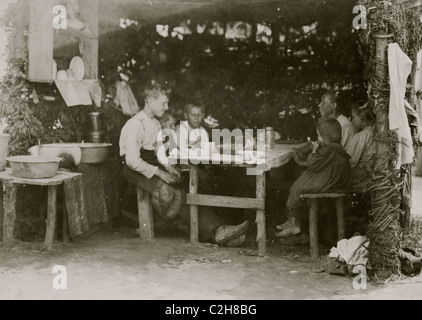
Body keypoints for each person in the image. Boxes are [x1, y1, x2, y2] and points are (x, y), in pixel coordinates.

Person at [119, 80, 248, 246]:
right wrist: (160, 173)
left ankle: (218, 231)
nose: (166, 107)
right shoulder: (135, 124)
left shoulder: (155, 123)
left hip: (151, 164)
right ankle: (216, 232)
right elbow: (132, 160)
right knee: (171, 193)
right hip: (134, 169)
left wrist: (169, 167)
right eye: (163, 103)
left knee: (185, 185)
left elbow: (159, 152)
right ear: (150, 100)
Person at [276, 118, 352, 238]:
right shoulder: (335, 147)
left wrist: (315, 150)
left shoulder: (329, 149)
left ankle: (293, 223)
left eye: (319, 135)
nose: (318, 138)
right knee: (303, 178)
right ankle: (293, 221)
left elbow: (314, 162)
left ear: (326, 136)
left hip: (333, 181)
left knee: (298, 186)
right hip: (337, 179)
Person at [344, 104, 376, 192]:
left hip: (363, 178)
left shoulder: (364, 135)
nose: (352, 121)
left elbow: (351, 161)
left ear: (361, 118)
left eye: (353, 117)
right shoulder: (373, 133)